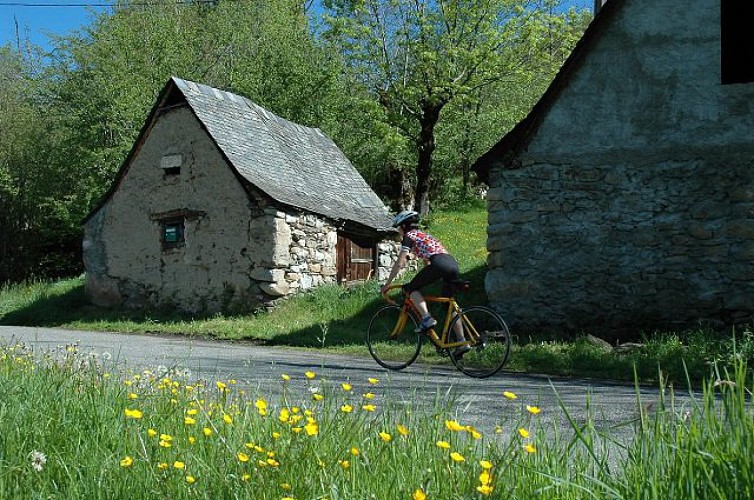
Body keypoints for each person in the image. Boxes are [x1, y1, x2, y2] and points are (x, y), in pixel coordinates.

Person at [380, 210, 470, 356]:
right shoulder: (425, 236)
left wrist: (388, 284)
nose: (399, 232)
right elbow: (427, 262)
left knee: (410, 289)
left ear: (404, 227)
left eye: (399, 228)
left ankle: (427, 319)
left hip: (439, 264)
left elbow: (400, 263)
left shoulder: (409, 236)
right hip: (452, 263)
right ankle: (462, 341)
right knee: (448, 305)